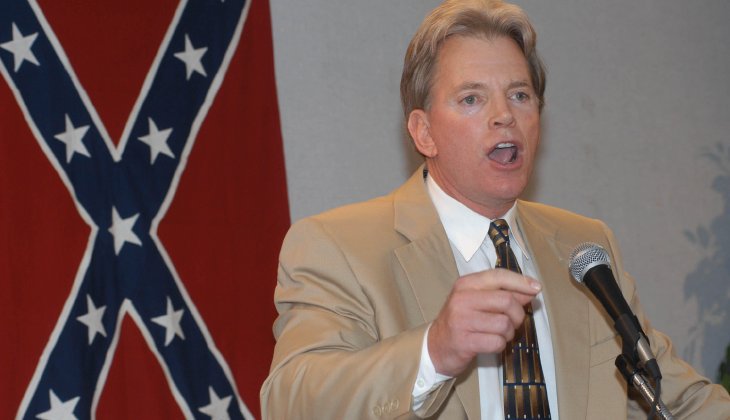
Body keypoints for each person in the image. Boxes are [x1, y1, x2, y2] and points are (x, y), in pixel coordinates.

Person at [260, 0, 730, 418]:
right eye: (472, 98)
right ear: (424, 132)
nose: (505, 115)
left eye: (520, 95)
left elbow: (676, 399)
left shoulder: (584, 247)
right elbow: (290, 402)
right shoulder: (338, 246)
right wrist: (434, 351)